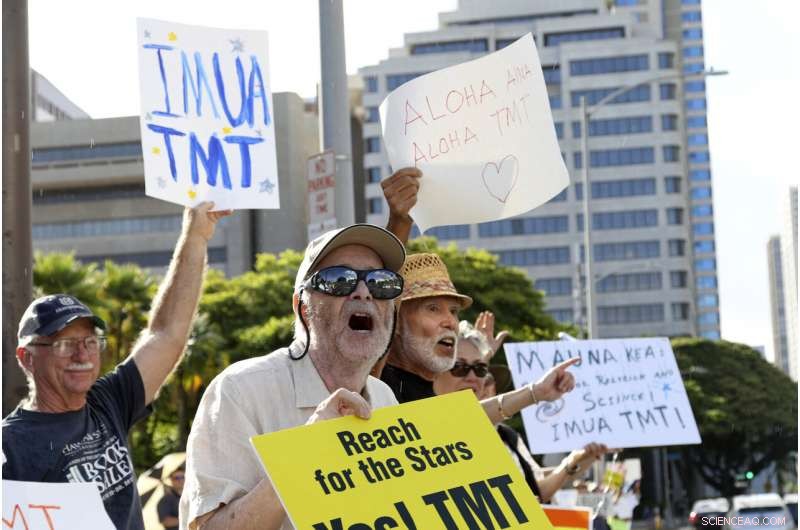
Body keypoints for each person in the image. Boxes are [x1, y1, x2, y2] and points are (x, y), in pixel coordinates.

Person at [2, 203, 229, 530]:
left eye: (91, 342)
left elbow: (166, 335)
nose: (82, 355)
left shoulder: (107, 401)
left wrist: (195, 236)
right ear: (27, 358)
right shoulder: (10, 445)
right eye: (65, 344)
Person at [180, 224, 406, 530]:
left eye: (381, 283)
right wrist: (305, 452)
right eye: (339, 280)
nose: (364, 293)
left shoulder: (384, 397)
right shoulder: (240, 390)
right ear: (302, 307)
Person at [434, 321, 609, 503]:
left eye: (480, 369)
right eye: (459, 367)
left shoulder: (507, 436)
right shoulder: (421, 426)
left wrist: (576, 459)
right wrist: (536, 392)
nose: (474, 379)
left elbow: (535, 486)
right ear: (434, 372)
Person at [158, 465, 185, 530]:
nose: (180, 480)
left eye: (183, 477)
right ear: (171, 480)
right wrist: (187, 519)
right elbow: (166, 521)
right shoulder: (165, 500)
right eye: (176, 478)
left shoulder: (192, 496)